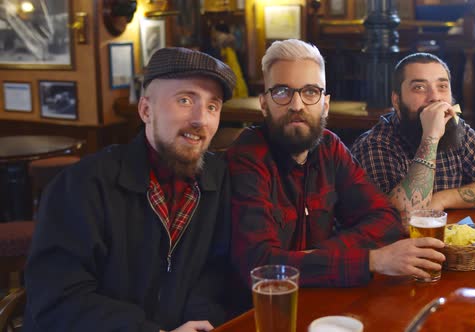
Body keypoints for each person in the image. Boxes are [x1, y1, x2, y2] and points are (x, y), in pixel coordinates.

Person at [24, 47, 237, 332]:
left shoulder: (217, 177)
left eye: (213, 106)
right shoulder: (81, 185)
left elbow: (216, 270)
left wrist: (198, 319)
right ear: (146, 110)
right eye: (185, 100)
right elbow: (59, 298)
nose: (201, 119)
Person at [226, 39, 445, 288]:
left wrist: (317, 258)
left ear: (325, 104)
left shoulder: (329, 147)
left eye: (310, 92)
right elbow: (260, 267)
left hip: (323, 299)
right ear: (264, 104)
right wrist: (368, 261)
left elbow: (385, 220)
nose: (297, 105)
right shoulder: (248, 154)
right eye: (282, 92)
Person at [351, 53, 475, 228]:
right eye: (419, 88)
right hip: (393, 250)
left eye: (442, 86)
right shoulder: (374, 145)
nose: (435, 97)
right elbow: (406, 221)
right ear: (397, 101)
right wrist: (431, 137)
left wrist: (443, 198)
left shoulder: (458, 129)